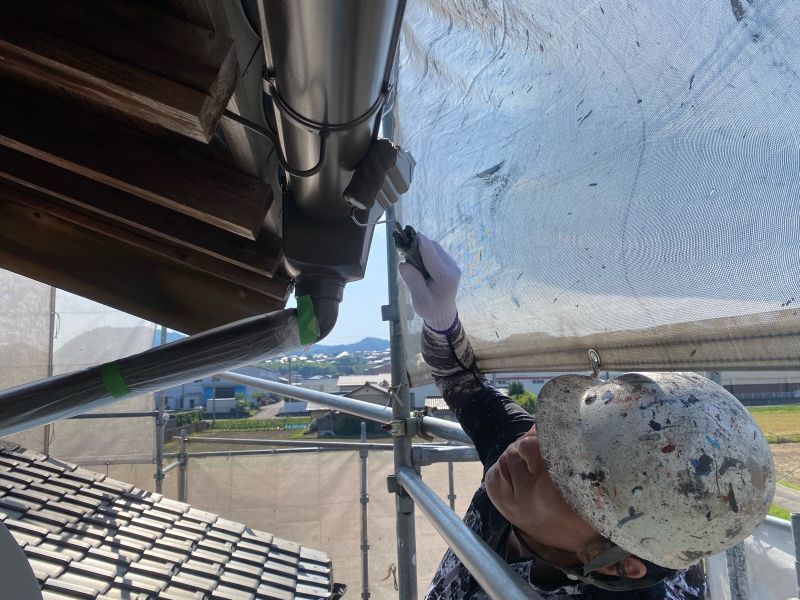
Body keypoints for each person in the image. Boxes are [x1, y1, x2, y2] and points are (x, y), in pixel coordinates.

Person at [398, 233, 775, 599]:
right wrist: (442, 321)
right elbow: (461, 379)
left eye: (567, 473)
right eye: (557, 431)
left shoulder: (524, 479)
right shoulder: (525, 468)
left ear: (618, 565)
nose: (526, 447)